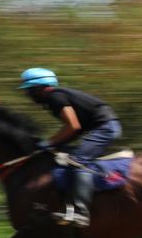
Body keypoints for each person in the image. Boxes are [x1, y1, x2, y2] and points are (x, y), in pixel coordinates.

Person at [19, 67, 122, 227]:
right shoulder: (54, 97)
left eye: (29, 91)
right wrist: (54, 145)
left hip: (105, 127)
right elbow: (77, 128)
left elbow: (73, 126)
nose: (28, 95)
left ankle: (80, 213)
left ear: (40, 87)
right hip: (101, 127)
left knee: (78, 160)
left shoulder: (55, 97)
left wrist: (50, 142)